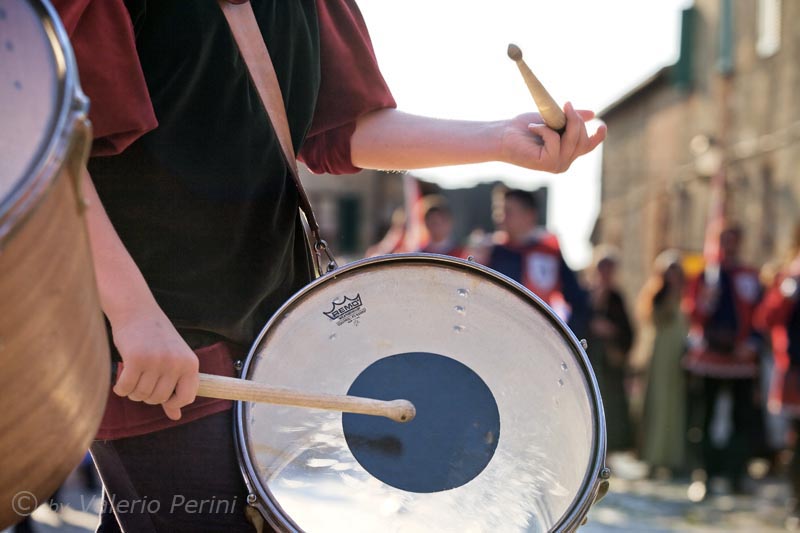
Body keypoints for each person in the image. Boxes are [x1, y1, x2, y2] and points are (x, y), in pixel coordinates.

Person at [51, 1, 605, 531]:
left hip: (273, 328)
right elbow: (35, 126)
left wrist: (500, 139)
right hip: (153, 336)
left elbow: (342, 129)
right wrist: (132, 314)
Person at [683, 224, 764, 494]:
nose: (729, 246)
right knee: (703, 418)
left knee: (741, 418)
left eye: (733, 240)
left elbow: (758, 314)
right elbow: (693, 312)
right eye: (724, 241)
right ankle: (704, 474)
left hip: (740, 359)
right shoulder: (705, 276)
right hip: (710, 357)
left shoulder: (749, 275)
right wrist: (706, 300)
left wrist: (751, 343)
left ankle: (735, 474)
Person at [486, 188, 590, 338]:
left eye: (508, 211)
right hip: (497, 336)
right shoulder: (490, 252)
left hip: (536, 338)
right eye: (498, 211)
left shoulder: (548, 253)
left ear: (529, 215)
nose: (500, 218)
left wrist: (565, 338)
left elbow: (577, 302)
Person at [755, 222, 800, 520]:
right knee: (796, 437)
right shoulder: (790, 276)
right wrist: (785, 296)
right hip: (796, 366)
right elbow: (766, 319)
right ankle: (797, 501)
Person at [638, 250, 689, 476]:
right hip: (660, 357)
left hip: (679, 356)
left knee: (676, 407)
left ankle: (673, 458)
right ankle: (653, 457)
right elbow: (655, 318)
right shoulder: (657, 295)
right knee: (658, 405)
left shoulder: (687, 296)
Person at [585, 247, 635, 452]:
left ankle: (610, 450)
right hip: (589, 360)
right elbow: (577, 322)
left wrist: (613, 332)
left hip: (610, 364)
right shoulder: (585, 294)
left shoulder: (617, 298)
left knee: (611, 407)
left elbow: (628, 331)